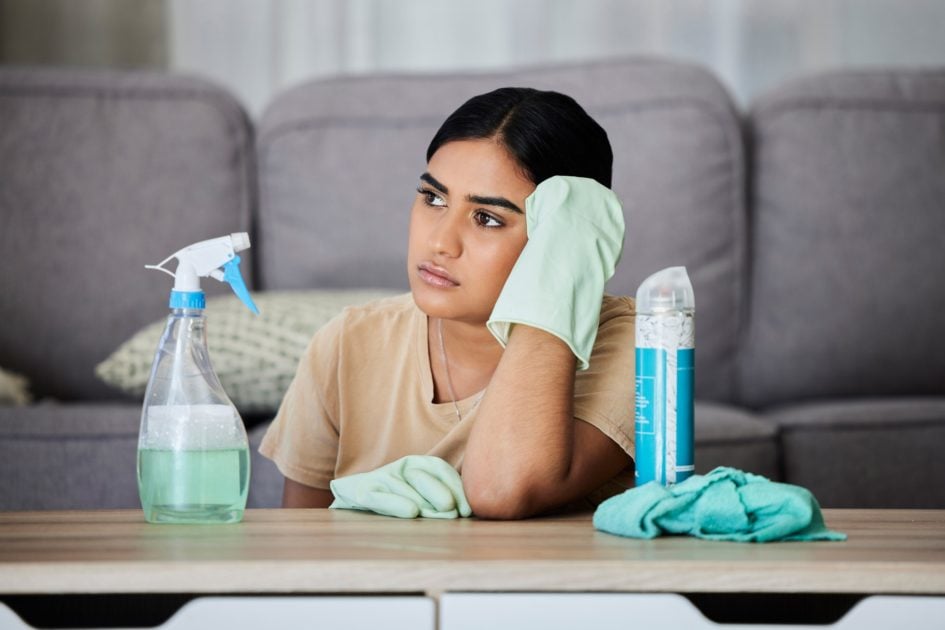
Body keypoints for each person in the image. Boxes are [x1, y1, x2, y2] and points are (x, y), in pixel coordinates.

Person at [259, 87, 635, 520]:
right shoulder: (349, 341)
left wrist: (564, 263)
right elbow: (300, 546)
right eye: (433, 198)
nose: (439, 241)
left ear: (560, 234)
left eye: (487, 218)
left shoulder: (638, 346)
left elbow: (503, 489)